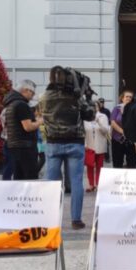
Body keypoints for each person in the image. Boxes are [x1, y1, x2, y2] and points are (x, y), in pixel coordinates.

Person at [40, 66, 95, 229]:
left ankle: (49, 219)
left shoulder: (44, 97)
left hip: (53, 142)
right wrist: (88, 97)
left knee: (51, 182)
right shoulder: (76, 98)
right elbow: (90, 115)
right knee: (77, 181)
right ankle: (76, 219)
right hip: (74, 142)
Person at [2, 79, 42, 180]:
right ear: (25, 90)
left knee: (18, 178)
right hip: (25, 147)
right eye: (32, 92)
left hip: (14, 146)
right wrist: (40, 122)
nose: (33, 96)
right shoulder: (21, 104)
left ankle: (19, 196)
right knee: (30, 177)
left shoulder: (10, 104)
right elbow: (28, 127)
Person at [83, 108, 111, 191]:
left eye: (94, 106)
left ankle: (99, 184)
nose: (92, 108)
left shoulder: (103, 116)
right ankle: (91, 184)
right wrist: (85, 144)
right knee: (89, 166)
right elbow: (83, 132)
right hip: (89, 144)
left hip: (100, 144)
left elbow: (106, 131)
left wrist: (99, 122)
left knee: (99, 166)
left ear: (98, 107)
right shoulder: (85, 118)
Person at [109, 91, 135, 169]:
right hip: (117, 139)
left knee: (132, 162)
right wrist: (123, 132)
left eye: (130, 97)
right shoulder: (116, 108)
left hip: (131, 139)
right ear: (122, 98)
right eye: (127, 96)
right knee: (117, 162)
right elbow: (113, 122)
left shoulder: (134, 109)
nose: (129, 98)